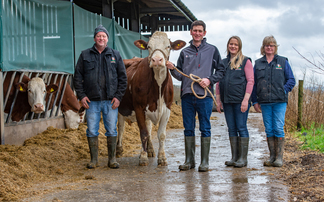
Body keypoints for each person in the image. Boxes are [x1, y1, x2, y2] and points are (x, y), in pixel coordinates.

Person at [166, 20, 225, 172]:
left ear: (204, 33)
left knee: (205, 128)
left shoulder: (212, 50)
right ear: (190, 32)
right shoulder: (184, 52)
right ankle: (189, 161)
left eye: (200, 31)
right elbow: (180, 75)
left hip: (204, 96)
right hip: (186, 95)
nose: (197, 33)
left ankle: (204, 162)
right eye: (195, 30)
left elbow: (220, 71)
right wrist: (173, 69)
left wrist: (209, 80)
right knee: (188, 128)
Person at [74, 25, 127, 169]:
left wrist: (118, 97)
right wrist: (82, 96)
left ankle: (112, 159)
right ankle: (94, 160)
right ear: (94, 38)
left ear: (107, 39)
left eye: (104, 36)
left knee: (111, 129)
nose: (101, 38)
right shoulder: (85, 55)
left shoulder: (115, 55)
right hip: (92, 101)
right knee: (91, 129)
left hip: (111, 101)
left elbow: (123, 79)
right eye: (99, 36)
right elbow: (77, 78)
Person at [252, 35, 295, 167]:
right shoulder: (258, 63)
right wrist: (254, 101)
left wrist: (284, 90)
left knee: (278, 127)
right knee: (269, 129)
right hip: (264, 101)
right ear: (263, 47)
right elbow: (253, 83)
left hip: (279, 101)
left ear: (275, 47)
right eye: (267, 45)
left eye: (271, 45)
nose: (269, 47)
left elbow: (291, 80)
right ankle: (272, 157)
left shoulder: (282, 62)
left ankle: (279, 158)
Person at [215, 36, 254, 168]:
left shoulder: (245, 61)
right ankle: (234, 157)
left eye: (235, 45)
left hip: (240, 101)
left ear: (239, 46)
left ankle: (243, 158)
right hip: (227, 101)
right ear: (228, 46)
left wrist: (246, 99)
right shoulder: (223, 62)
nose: (233, 46)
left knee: (241, 127)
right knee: (231, 128)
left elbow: (250, 81)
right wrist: (218, 99)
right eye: (231, 44)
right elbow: (219, 81)